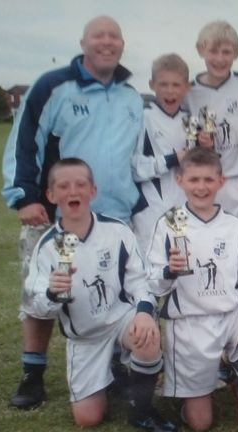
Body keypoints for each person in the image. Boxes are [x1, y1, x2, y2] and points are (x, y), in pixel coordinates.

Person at [0, 15, 144, 410]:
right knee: (42, 291)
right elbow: (25, 138)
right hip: (55, 214)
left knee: (111, 294)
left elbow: (137, 158)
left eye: (114, 36)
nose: (107, 42)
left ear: (122, 45)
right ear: (83, 42)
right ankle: (33, 373)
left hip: (114, 216)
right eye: (99, 35)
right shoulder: (54, 86)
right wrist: (25, 195)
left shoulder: (132, 96)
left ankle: (112, 370)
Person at [23, 158, 176, 431]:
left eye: (81, 184)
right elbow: (37, 306)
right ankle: (112, 371)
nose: (73, 191)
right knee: (88, 419)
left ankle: (140, 410)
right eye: (64, 186)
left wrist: (143, 313)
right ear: (51, 195)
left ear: (93, 191)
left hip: (120, 321)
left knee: (148, 333)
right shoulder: (46, 248)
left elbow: (140, 283)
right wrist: (52, 293)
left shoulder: (117, 231)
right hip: (85, 337)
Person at [146, 148, 238, 430]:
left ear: (221, 182)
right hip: (190, 323)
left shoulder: (234, 226)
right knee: (200, 424)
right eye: (194, 179)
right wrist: (169, 272)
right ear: (180, 181)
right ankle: (186, 394)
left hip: (232, 313)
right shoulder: (168, 225)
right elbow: (152, 282)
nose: (201, 187)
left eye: (208, 180)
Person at [186, 20, 238, 244]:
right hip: (206, 185)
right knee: (211, 247)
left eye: (226, 52)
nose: (220, 59)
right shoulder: (189, 92)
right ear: (201, 50)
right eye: (213, 51)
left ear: (236, 53)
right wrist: (198, 141)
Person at [131, 53, 190, 255]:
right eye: (163, 84)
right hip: (151, 206)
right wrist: (173, 159)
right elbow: (134, 167)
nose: (170, 91)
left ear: (187, 87)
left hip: (186, 201)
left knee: (184, 264)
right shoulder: (143, 118)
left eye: (176, 85)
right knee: (151, 266)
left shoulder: (192, 120)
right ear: (151, 84)